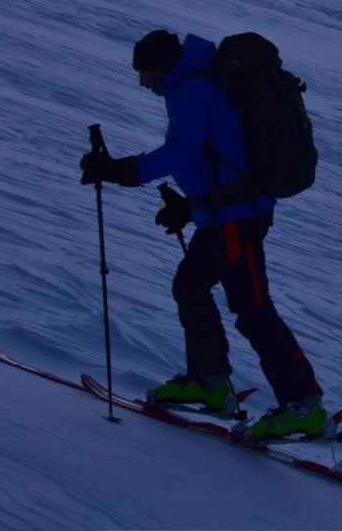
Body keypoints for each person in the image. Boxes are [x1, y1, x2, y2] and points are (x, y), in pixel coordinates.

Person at [79, 29, 326, 440]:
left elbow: (183, 152)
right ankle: (210, 382)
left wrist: (122, 170)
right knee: (192, 285)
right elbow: (217, 161)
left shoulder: (190, 93)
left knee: (252, 308)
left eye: (143, 72)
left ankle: (304, 404)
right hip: (225, 214)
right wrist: (189, 208)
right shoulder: (196, 86)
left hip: (236, 218)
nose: (142, 83)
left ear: (160, 67)